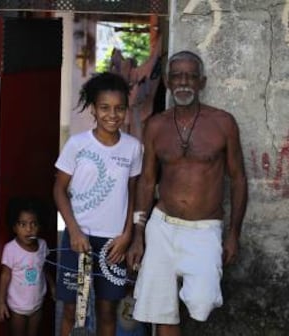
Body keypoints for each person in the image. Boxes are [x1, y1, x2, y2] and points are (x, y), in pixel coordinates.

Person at [127, 50, 248, 336]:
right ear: (168, 82)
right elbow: (146, 182)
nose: (184, 83)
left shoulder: (223, 123)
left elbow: (239, 179)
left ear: (201, 82)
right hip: (162, 226)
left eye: (191, 77)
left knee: (201, 301)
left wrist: (233, 233)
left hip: (204, 228)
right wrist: (137, 236)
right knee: (160, 308)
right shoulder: (155, 126)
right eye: (177, 76)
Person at [53, 72, 143, 336]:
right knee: (73, 310)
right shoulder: (77, 145)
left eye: (119, 108)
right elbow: (59, 190)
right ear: (93, 109)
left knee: (107, 310)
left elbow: (133, 194)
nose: (112, 115)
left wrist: (127, 235)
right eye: (104, 108)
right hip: (77, 240)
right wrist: (74, 231)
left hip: (113, 244)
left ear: (126, 110)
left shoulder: (133, 148)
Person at [0, 196, 55, 336]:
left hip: (37, 304)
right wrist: (1, 303)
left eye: (33, 224)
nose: (29, 229)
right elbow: (5, 276)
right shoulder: (11, 249)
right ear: (15, 227)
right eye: (23, 224)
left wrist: (53, 286)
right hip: (18, 308)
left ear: (39, 226)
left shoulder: (42, 245)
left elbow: (43, 268)